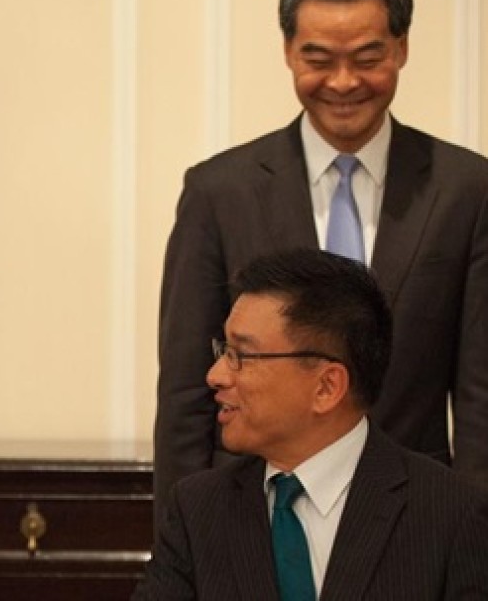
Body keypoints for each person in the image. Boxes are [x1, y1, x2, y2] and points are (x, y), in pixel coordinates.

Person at [153, 0, 488, 532]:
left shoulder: (466, 190)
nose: (342, 81)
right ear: (287, 50)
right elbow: (185, 395)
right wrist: (183, 549)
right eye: (318, 58)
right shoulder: (218, 193)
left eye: (366, 57)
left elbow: (482, 396)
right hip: (251, 519)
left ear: (402, 47)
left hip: (414, 520)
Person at [134, 248, 488, 600]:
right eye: (223, 351)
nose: (216, 376)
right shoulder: (198, 510)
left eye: (241, 355)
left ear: (327, 387)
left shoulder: (451, 515)